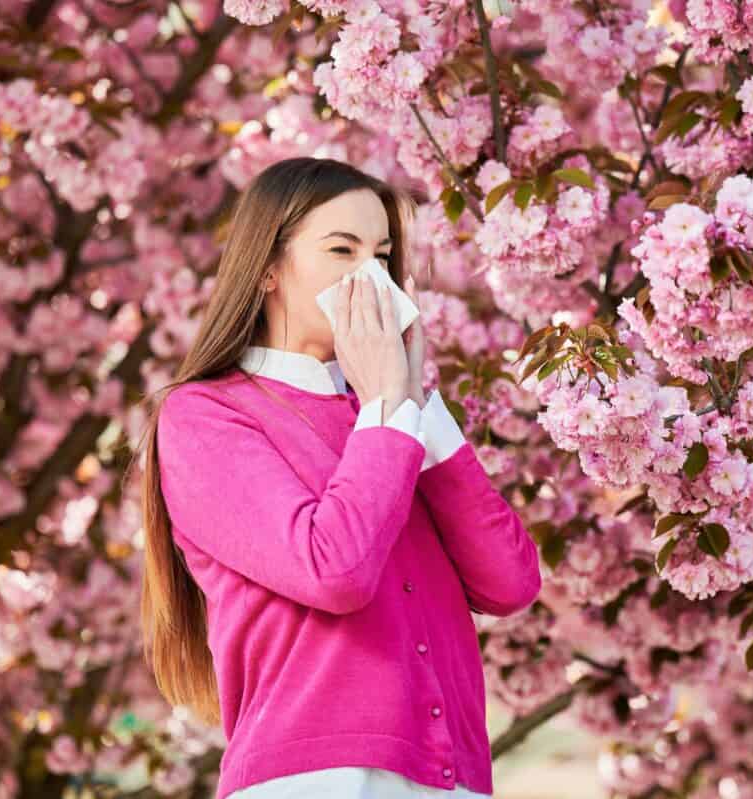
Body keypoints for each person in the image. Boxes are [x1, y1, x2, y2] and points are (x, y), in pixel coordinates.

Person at [137, 156, 542, 799]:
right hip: (313, 779)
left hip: (453, 777)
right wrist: (387, 407)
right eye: (341, 250)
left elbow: (511, 582)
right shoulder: (204, 417)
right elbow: (336, 569)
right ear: (268, 269)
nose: (372, 277)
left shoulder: (393, 422)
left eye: (381, 256)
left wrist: (411, 403)